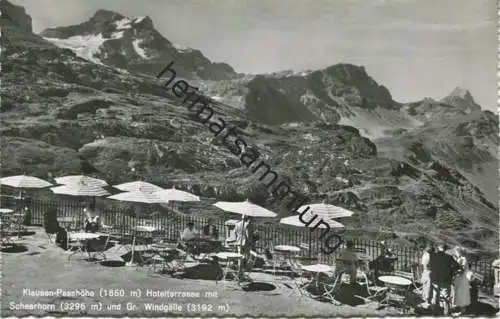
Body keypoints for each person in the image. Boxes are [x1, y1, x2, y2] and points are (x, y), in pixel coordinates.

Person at [429, 243, 460, 315]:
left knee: (435, 294)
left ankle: (434, 311)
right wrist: (451, 271)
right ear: (445, 249)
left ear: (438, 248)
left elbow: (430, 266)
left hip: (434, 279)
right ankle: (446, 312)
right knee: (446, 296)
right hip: (445, 279)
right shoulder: (448, 257)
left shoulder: (432, 256)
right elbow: (457, 266)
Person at [452, 246, 470, 315]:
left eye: (456, 252)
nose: (456, 253)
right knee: (457, 292)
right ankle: (459, 307)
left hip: (462, 278)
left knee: (461, 293)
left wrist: (455, 271)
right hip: (458, 278)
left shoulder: (463, 259)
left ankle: (463, 310)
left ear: (460, 252)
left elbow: (462, 270)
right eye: (455, 252)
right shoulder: (458, 258)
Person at [420, 244, 434, 308]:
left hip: (425, 272)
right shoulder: (430, 257)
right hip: (429, 272)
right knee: (428, 287)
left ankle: (425, 299)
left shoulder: (425, 256)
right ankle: (427, 301)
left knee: (425, 286)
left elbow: (422, 265)